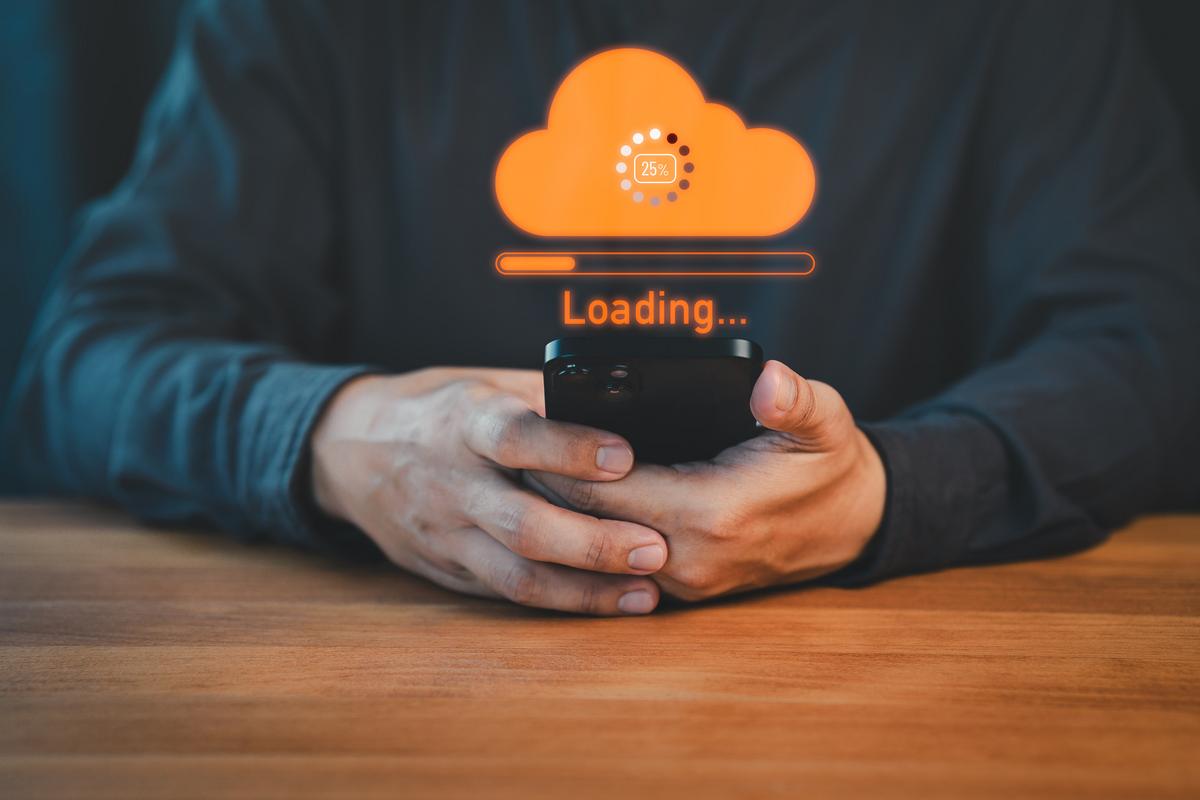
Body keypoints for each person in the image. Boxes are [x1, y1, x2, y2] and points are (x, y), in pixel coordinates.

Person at [7, 0, 1199, 615]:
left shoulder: (1017, 20)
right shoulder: (314, 16)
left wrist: (889, 491)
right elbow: (87, 355)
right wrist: (340, 440)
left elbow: (1148, 350)